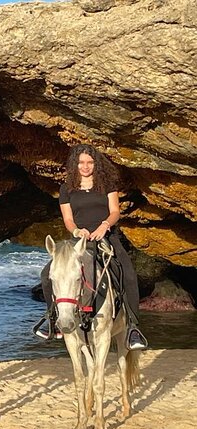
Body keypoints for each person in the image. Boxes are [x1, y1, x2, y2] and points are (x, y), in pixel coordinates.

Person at [34, 144, 148, 350]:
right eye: (81, 163)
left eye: (89, 162)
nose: (85, 167)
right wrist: (77, 231)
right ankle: (52, 319)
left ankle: (133, 328)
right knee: (46, 274)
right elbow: (68, 219)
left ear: (96, 164)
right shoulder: (66, 189)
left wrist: (105, 226)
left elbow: (115, 212)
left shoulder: (107, 184)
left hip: (106, 236)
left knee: (128, 274)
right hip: (79, 241)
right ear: (75, 165)